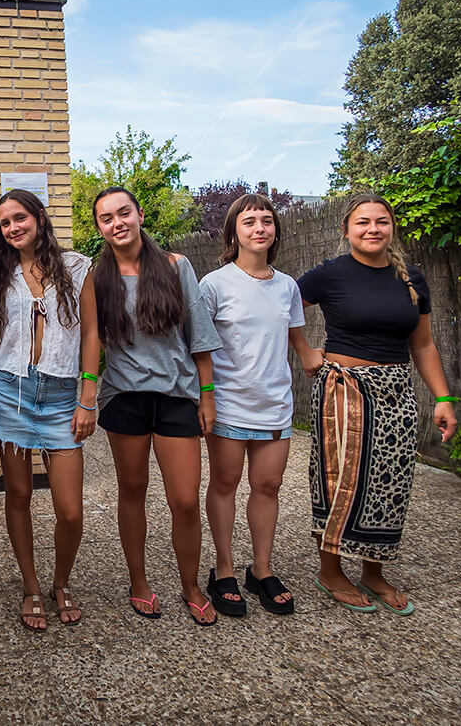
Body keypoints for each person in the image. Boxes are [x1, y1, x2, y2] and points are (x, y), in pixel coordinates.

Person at [297, 192, 457, 616]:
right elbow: (280, 306)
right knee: (338, 480)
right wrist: (305, 351)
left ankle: (373, 572)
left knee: (390, 482)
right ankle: (330, 570)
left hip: (396, 393)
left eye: (381, 221)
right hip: (343, 391)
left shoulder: (411, 279)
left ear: (392, 228)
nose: (373, 229)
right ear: (346, 230)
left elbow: (423, 344)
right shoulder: (329, 274)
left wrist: (442, 398)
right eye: (363, 222)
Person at [91, 186, 221, 627]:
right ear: (100, 227)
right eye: (107, 218)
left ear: (140, 214)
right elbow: (91, 341)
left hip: (176, 395)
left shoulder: (175, 266)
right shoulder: (97, 278)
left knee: (184, 499)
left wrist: (207, 395)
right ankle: (139, 581)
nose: (117, 223)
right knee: (132, 491)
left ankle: (190, 585)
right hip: (124, 397)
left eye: (123, 212)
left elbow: (199, 335)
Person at [199, 194, 323, 617]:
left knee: (268, 486)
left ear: (275, 230)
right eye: (249, 221)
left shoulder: (287, 286)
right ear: (234, 231)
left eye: (266, 221)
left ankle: (261, 569)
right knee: (225, 484)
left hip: (274, 405)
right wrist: (205, 397)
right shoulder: (214, 284)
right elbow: (199, 346)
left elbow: (297, 340)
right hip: (229, 404)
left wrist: (316, 358)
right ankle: (224, 569)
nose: (259, 228)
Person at [0, 189, 99, 630]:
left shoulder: (77, 267)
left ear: (39, 217)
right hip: (10, 392)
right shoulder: (1, 274)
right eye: (5, 223)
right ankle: (31, 585)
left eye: (20, 218)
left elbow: (91, 335)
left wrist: (87, 398)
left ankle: (61, 581)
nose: (13, 228)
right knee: (18, 495)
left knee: (70, 509)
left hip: (61, 395)